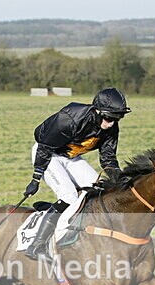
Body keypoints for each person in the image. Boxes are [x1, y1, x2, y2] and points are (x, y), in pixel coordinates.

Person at [23, 87, 131, 260]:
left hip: (71, 157)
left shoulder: (111, 127)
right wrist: (36, 178)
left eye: (118, 118)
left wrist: (119, 178)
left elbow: (108, 157)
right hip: (48, 153)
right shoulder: (71, 118)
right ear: (97, 110)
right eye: (109, 118)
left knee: (98, 190)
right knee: (69, 196)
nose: (112, 123)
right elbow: (44, 147)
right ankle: (36, 246)